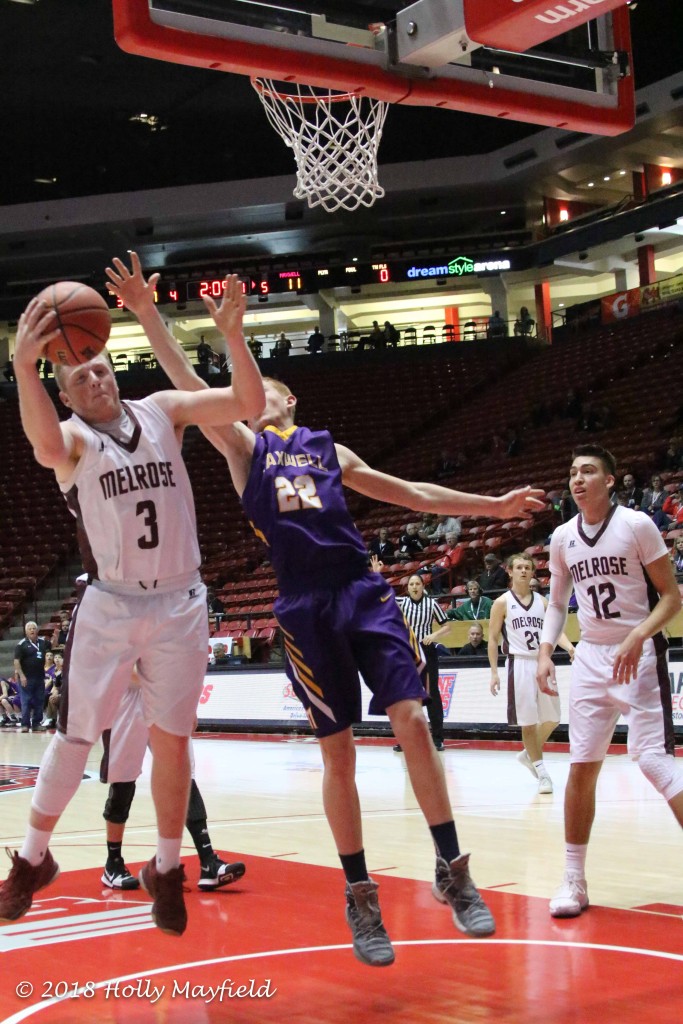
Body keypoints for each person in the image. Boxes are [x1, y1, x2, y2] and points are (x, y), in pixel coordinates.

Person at [109, 252, 548, 967]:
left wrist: (490, 506)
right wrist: (153, 317)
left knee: (411, 722)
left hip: (361, 590)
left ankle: (452, 868)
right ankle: (359, 893)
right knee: (337, 751)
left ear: (288, 401)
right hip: (303, 606)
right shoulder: (245, 449)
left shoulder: (326, 449)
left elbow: (413, 493)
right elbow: (190, 386)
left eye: (267, 390)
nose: (254, 397)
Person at [0, 258, 264, 937]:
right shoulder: (74, 443)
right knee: (75, 735)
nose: (94, 376)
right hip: (110, 605)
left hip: (179, 601)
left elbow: (246, 405)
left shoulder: (162, 411)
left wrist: (229, 334)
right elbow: (38, 441)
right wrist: (25, 369)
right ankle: (32, 859)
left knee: (173, 742)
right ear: (66, 391)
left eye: (98, 364)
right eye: (78, 373)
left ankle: (168, 869)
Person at [537, 444, 683, 919]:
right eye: (573, 472)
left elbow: (671, 597)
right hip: (591, 658)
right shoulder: (561, 537)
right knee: (582, 766)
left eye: (588, 471)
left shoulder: (637, 525)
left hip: (637, 654)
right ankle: (574, 879)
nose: (577, 479)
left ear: (611, 480)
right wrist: (544, 651)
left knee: (654, 763)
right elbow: (557, 604)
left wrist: (640, 634)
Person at [100, 676, 245, 893]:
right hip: (126, 696)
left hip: (163, 697)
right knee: (123, 782)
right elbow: (123, 666)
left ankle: (209, 863)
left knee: (182, 776)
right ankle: (113, 863)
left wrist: (187, 703)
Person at [488, 553, 575, 795]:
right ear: (510, 571)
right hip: (519, 664)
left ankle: (529, 752)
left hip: (542, 662)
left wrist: (569, 647)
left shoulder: (543, 602)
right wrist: (494, 672)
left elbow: (555, 630)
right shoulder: (502, 603)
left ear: (533, 572)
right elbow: (493, 639)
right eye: (519, 567)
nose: (523, 571)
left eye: (527, 567)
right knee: (527, 723)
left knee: (553, 718)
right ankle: (542, 772)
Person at [395, 574, 452, 753]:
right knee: (406, 695)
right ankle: (406, 739)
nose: (414, 587)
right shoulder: (402, 603)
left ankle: (437, 738)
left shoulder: (431, 604)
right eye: (411, 584)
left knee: (432, 693)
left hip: (427, 651)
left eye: (417, 583)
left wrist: (433, 636)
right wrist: (375, 574)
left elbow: (447, 626)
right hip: (407, 651)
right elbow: (381, 594)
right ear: (408, 587)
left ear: (422, 585)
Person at [13, 621, 51, 734]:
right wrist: (22, 676)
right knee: (26, 701)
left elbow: (51, 646)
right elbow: (16, 662)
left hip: (39, 678)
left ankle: (36, 724)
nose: (32, 630)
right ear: (26, 631)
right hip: (26, 679)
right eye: (29, 628)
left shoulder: (42, 642)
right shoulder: (21, 644)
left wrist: (57, 637)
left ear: (37, 630)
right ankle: (25, 724)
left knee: (39, 700)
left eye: (34, 628)